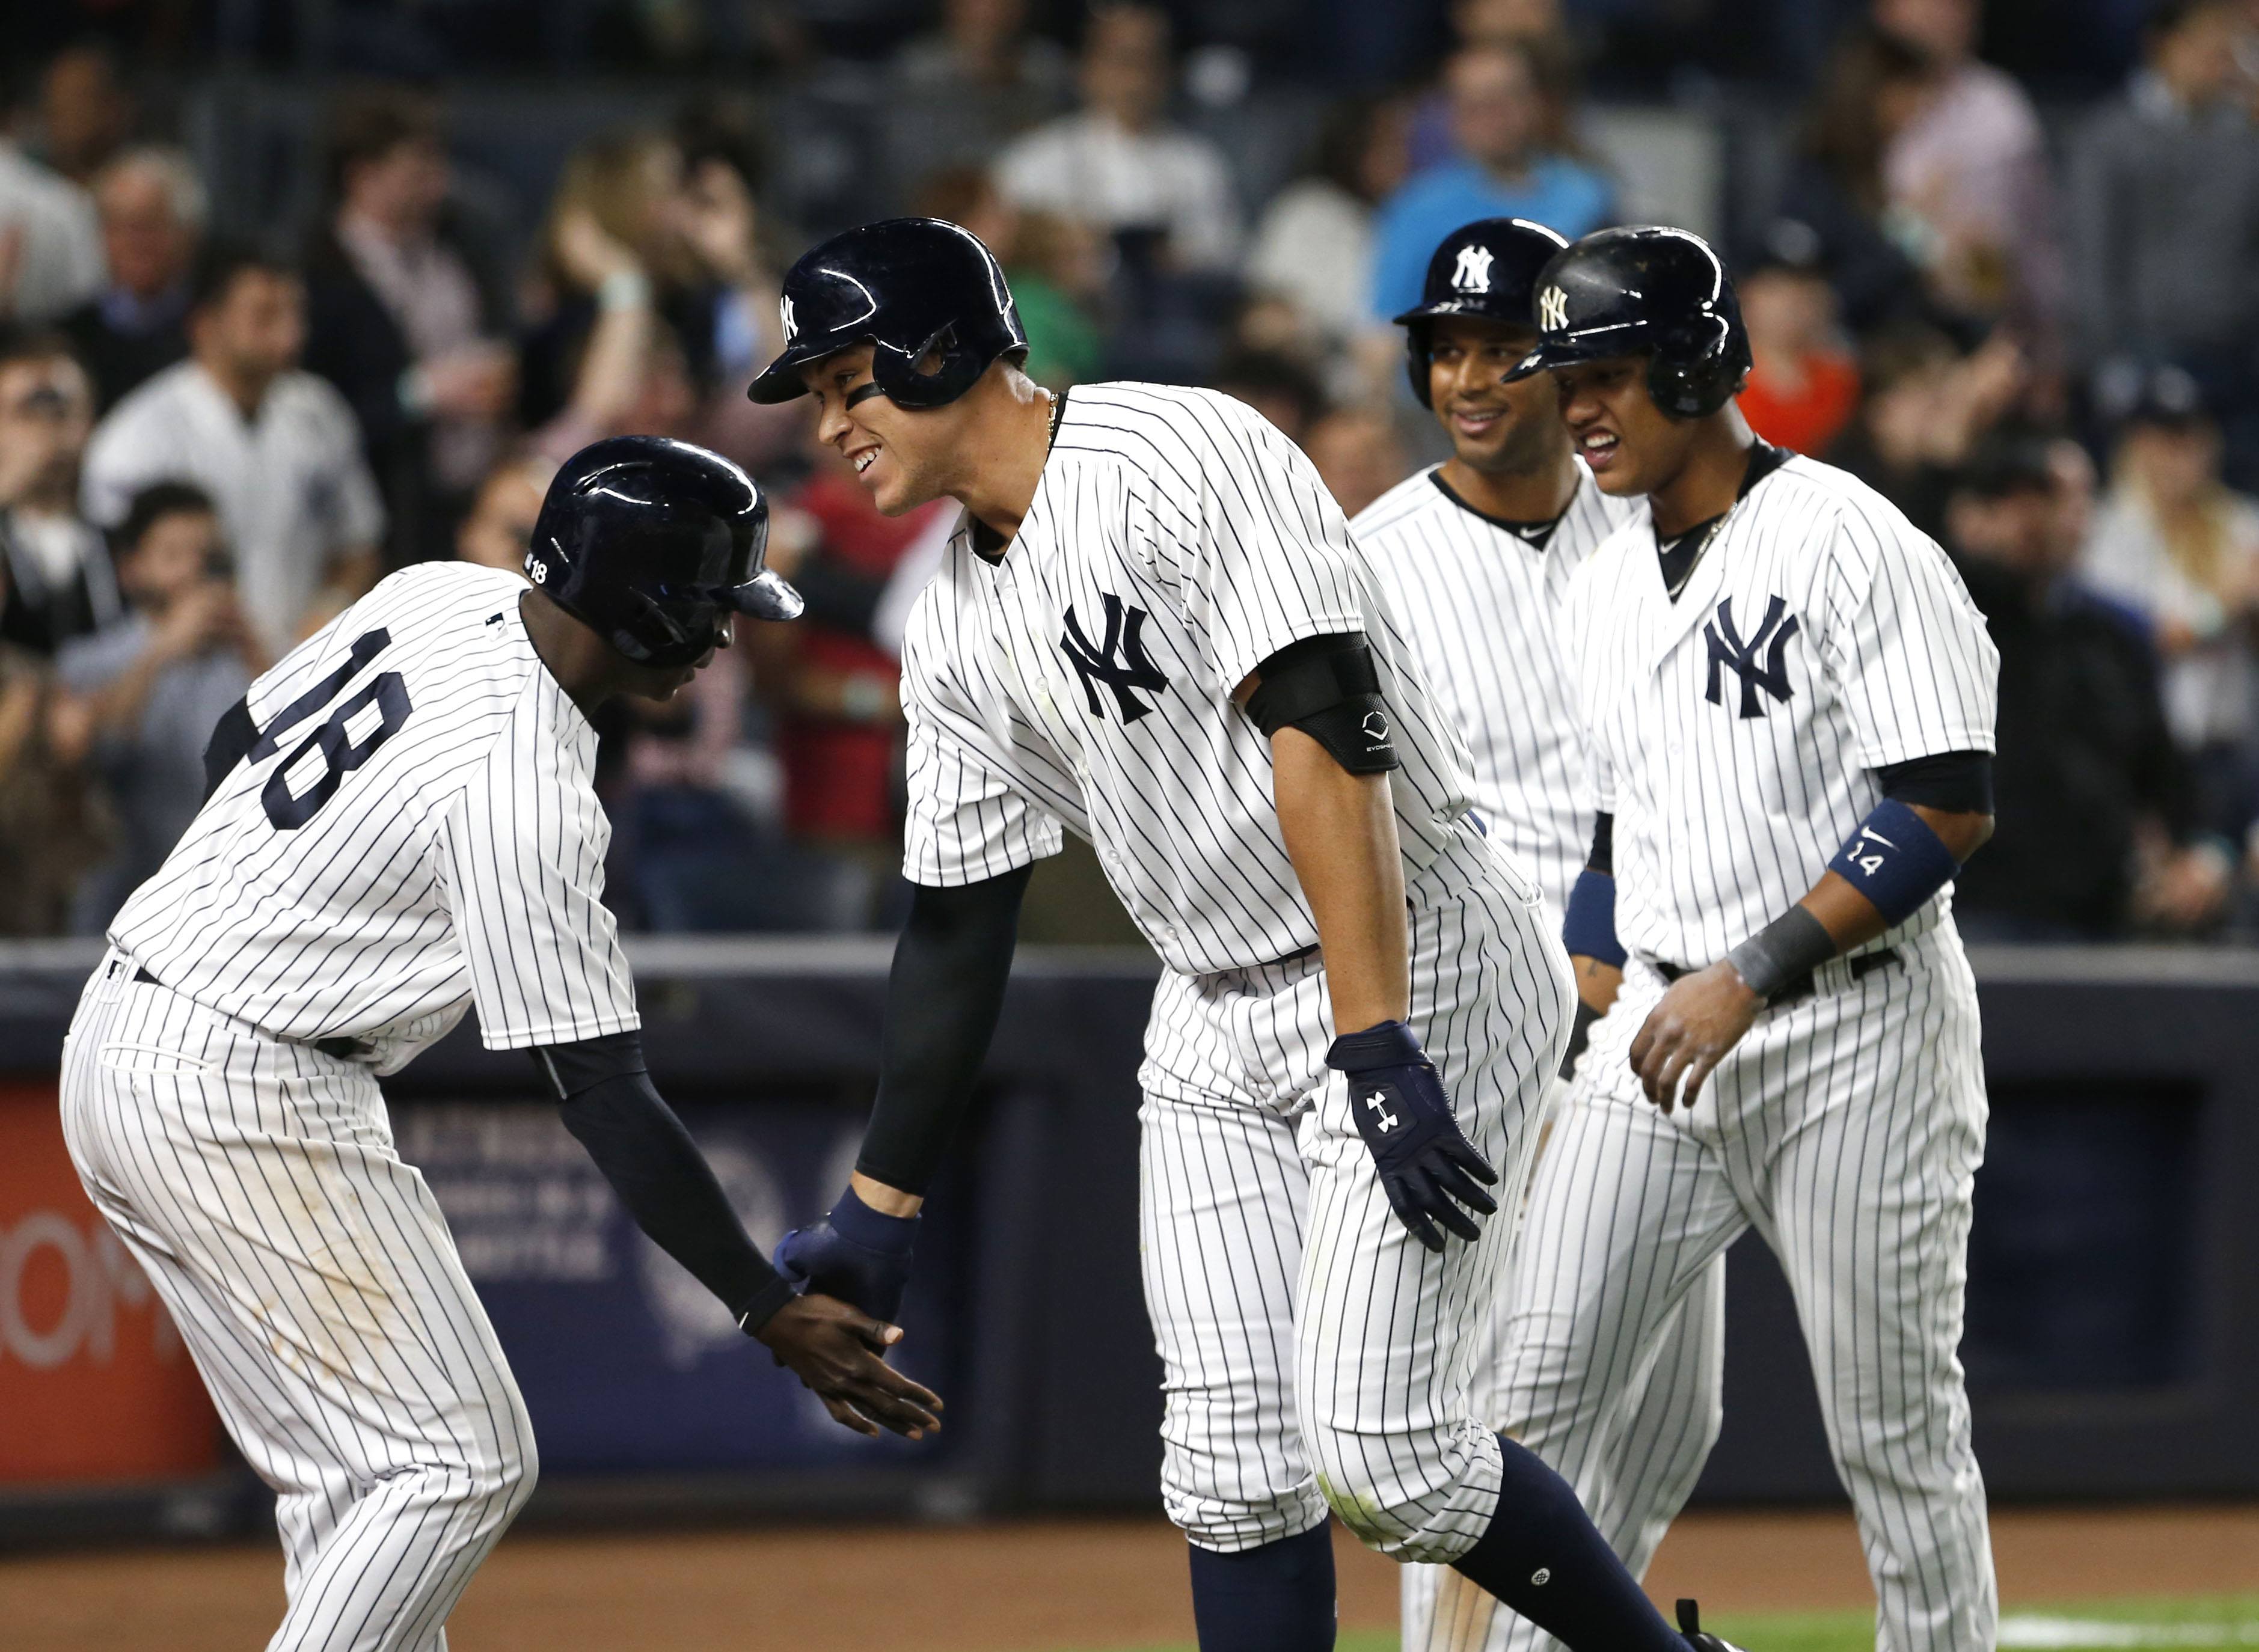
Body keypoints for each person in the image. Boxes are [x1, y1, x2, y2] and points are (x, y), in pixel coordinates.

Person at [746, 216, 1748, 1652]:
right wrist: (876, 1211)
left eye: (848, 381)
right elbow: (958, 927)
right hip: (1209, 1001)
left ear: (941, 350)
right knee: (1226, 1472)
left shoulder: (1174, 454)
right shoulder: (954, 623)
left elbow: (1323, 724)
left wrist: (1376, 1035)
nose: (830, 423)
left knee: (1385, 1456)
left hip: (1414, 953)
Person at [57, 436, 939, 1652]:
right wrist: (762, 1306)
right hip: (234, 1082)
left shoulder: (438, 589)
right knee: (460, 1463)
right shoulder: (524, 786)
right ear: (643, 603)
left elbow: (233, 744)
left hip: (133, 1029)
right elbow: (602, 1093)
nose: (730, 635)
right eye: (714, 606)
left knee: (364, 1485)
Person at [1500, 225, 2001, 1651]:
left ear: (1693, 363)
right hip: (1656, 1030)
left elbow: (1943, 803)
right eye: (1565, 377)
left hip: (1851, 1029)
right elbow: (1618, 825)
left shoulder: (1846, 537)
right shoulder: (1593, 582)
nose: (1576, 406)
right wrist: (1583, 1014)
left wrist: (1752, 971)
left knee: (1890, 1436)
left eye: (1603, 372)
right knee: (1519, 1402)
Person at [1951, 431, 2232, 938]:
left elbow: (2165, 775)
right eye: (2030, 499)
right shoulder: (1936, 625)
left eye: (2072, 498)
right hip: (1968, 911)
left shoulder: (2117, 635)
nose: (2052, 518)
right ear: (1979, 515)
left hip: (2097, 913)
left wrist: (2203, 853)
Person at [81, 244, 386, 656]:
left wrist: (332, 606)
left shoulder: (320, 409)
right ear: (206, 325)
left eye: (296, 314)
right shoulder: (139, 437)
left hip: (305, 663)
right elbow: (122, 585)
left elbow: (359, 543)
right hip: (188, 672)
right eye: (265, 316)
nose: (291, 334)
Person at [303, 87, 515, 564]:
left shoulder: (461, 246)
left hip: (473, 487)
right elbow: (315, 412)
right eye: (416, 171)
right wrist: (418, 394)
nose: (436, 185)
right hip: (388, 505)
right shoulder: (319, 274)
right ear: (362, 176)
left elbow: (501, 332)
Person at [51, 482, 263, 931]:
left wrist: (255, 649)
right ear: (131, 570)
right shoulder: (88, 662)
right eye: (173, 555)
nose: (193, 572)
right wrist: (162, 651)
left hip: (234, 910)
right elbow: (89, 755)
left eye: (207, 555)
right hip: (124, 910)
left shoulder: (249, 655)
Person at [2067, 0, 2259, 482]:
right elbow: (2092, 257)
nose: (2218, 61)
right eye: (2205, 47)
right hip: (2147, 348)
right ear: (2162, 46)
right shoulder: (2109, 137)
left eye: (2226, 50)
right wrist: (2108, 359)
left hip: (2237, 351)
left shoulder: (2243, 137)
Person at [2082, 369, 2259, 847]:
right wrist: (2224, 605)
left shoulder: (2239, 524)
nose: (2176, 457)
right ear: (2135, 446)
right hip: (2147, 760)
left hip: (2231, 751)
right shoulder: (2107, 533)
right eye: (2161, 440)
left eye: (2187, 439)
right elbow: (2140, 640)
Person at [1370, 41, 1614, 322]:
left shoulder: (1588, 194)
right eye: (1472, 104)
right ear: (1452, 116)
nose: (1490, 117)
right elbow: (1380, 332)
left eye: (1503, 99)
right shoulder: (1415, 208)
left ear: (1535, 102)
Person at [1874, 0, 2067, 350]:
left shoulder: (2000, 105)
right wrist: (1917, 229)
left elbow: (2037, 235)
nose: (1943, 17)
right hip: (1883, 321)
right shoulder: (1859, 103)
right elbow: (1854, 223)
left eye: (1956, 7)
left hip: (1987, 319)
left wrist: (2049, 342)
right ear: (1886, 11)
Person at [995, 4, 1244, 272]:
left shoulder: (1199, 165)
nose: (1136, 78)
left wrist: (1175, 259)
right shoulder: (1032, 161)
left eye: (1150, 60)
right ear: (1085, 68)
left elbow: (1227, 257)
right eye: (1121, 59)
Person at [1245, 94, 1414, 357]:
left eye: (1404, 146)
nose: (1403, 158)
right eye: (1388, 146)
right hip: (1310, 370)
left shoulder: (1417, 219)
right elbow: (1272, 314)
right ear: (1353, 150)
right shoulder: (1305, 210)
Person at [0, 328, 119, 655]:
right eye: (27, 411)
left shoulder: (125, 536)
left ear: (90, 422)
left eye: (62, 411)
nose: (47, 429)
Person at [62, 145, 203, 411]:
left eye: (147, 226)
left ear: (187, 233)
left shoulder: (211, 333)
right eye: (116, 225)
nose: (132, 243)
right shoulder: (69, 340)